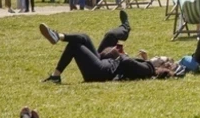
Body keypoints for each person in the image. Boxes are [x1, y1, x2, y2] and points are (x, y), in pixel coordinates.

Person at [38, 12, 179, 83]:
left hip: (100, 72)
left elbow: (127, 63)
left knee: (76, 45)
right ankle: (58, 36)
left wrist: (121, 55)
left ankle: (56, 75)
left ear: (160, 64)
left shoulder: (149, 69)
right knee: (94, 36)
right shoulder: (147, 66)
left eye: (159, 58)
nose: (157, 56)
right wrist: (143, 59)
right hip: (104, 63)